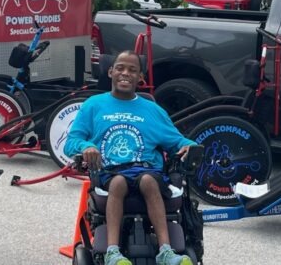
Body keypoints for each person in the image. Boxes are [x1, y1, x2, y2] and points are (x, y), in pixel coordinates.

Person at [65, 50, 196, 265]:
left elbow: (177, 141)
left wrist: (190, 146)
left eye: (132, 70)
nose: (125, 73)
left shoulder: (153, 111)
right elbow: (72, 142)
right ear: (110, 72)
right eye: (120, 68)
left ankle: (165, 252)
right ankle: (112, 253)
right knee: (118, 183)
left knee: (148, 181)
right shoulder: (93, 105)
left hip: (147, 169)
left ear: (140, 78)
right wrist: (86, 146)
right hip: (111, 171)